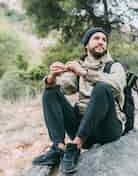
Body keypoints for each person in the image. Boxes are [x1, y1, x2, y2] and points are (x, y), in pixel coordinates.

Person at [32, 27, 126, 174]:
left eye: (104, 40)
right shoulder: (78, 64)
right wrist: (52, 77)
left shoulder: (114, 66)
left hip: (108, 128)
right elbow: (66, 87)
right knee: (50, 91)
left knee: (102, 88)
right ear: (86, 45)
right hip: (84, 126)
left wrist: (84, 73)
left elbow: (116, 86)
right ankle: (59, 148)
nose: (101, 42)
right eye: (96, 38)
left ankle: (75, 146)